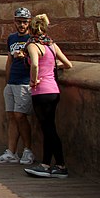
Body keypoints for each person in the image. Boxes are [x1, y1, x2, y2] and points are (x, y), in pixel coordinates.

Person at [24, 14, 73, 178]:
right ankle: (46, 164)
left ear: (31, 29)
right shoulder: (52, 45)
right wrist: (52, 65)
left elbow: (35, 64)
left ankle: (60, 165)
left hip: (41, 91)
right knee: (48, 128)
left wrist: (34, 79)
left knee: (49, 129)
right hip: (54, 91)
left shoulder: (32, 45)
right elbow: (68, 64)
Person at [0, 7, 35, 165]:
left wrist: (25, 55)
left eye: (25, 22)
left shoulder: (32, 39)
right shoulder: (11, 38)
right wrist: (7, 80)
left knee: (20, 116)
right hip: (12, 82)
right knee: (12, 117)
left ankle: (28, 150)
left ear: (29, 22)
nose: (22, 25)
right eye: (19, 22)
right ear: (15, 22)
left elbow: (39, 59)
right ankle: (11, 152)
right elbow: (9, 60)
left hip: (25, 83)